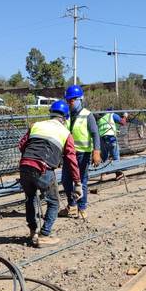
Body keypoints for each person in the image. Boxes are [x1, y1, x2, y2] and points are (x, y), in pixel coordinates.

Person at [19, 100, 81, 247]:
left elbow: (21, 145)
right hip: (43, 168)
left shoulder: (36, 125)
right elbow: (71, 159)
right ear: (65, 117)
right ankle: (44, 235)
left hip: (25, 165)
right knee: (53, 202)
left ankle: (32, 231)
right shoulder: (65, 133)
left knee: (30, 198)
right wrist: (77, 182)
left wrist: (30, 157)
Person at [60, 85, 101, 219]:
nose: (69, 103)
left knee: (81, 181)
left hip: (83, 154)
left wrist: (97, 151)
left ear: (79, 99)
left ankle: (82, 208)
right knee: (66, 180)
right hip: (68, 154)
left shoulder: (87, 115)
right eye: (68, 100)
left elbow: (95, 134)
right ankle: (71, 205)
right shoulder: (67, 116)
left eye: (71, 100)